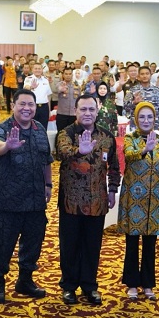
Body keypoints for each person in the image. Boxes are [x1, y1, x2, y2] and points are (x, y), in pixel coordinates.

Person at [0, 89, 54, 304]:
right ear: (14, 106)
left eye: (31, 105)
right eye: (22, 104)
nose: (27, 108)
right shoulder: (2, 128)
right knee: (2, 244)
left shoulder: (39, 129)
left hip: (35, 200)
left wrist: (48, 184)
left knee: (33, 243)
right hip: (8, 201)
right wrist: (7, 146)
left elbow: (46, 159)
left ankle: (24, 280)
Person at [56, 94, 120, 305]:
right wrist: (79, 151)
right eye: (83, 109)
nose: (87, 113)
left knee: (92, 246)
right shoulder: (66, 133)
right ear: (75, 111)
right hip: (71, 202)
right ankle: (69, 287)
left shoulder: (107, 136)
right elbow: (62, 152)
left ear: (97, 111)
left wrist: (112, 190)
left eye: (91, 109)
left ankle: (89, 286)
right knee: (70, 246)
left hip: (97, 201)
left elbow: (114, 167)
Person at [117, 102, 159, 301]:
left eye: (149, 117)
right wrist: (145, 149)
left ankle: (148, 284)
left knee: (150, 244)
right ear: (136, 119)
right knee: (132, 243)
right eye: (142, 117)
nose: (146, 121)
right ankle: (131, 283)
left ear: (154, 119)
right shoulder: (130, 139)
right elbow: (129, 156)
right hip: (134, 199)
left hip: (155, 200)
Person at [123, 65, 159, 132]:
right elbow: (125, 106)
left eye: (147, 74)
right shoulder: (132, 90)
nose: (145, 76)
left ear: (150, 75)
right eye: (142, 74)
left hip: (154, 126)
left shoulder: (157, 90)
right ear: (138, 76)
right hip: (137, 126)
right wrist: (134, 103)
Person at [24, 62, 53, 128]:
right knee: (31, 127)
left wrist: (49, 111)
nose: (37, 70)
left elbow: (48, 96)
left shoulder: (45, 80)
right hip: (32, 107)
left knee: (43, 127)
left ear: (42, 70)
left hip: (44, 107)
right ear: (32, 70)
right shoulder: (28, 78)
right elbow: (26, 87)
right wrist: (31, 87)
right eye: (36, 68)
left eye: (39, 69)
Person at [56, 67, 81, 133]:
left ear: (72, 75)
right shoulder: (60, 84)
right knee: (61, 134)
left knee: (73, 134)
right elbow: (57, 89)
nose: (68, 76)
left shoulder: (77, 86)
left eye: (70, 74)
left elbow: (79, 99)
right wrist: (61, 89)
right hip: (62, 114)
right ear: (63, 75)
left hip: (73, 115)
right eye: (66, 74)